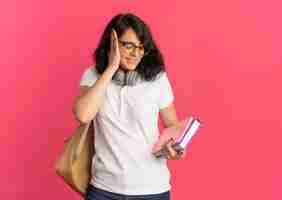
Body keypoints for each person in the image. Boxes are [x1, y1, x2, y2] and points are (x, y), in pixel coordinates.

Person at [73, 12, 186, 200]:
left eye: (141, 48)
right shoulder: (93, 76)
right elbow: (83, 115)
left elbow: (173, 126)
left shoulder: (157, 79)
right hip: (103, 189)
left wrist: (174, 147)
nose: (136, 54)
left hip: (152, 190)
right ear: (112, 43)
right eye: (128, 46)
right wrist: (111, 68)